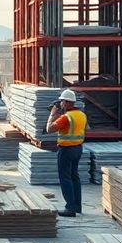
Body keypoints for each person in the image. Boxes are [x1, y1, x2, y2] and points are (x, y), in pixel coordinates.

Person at [44, 89, 86, 217]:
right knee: (74, 176)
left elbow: (49, 129)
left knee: (65, 178)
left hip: (66, 150)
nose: (61, 103)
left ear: (67, 103)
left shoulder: (66, 118)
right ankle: (77, 206)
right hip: (78, 148)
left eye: (62, 101)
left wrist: (52, 114)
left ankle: (70, 208)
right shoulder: (81, 115)